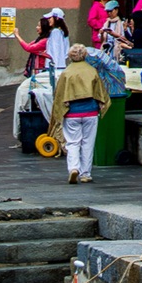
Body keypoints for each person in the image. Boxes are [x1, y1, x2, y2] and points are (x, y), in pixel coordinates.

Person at [51, 42, 109, 185]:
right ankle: (86, 173)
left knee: (73, 143)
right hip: (90, 112)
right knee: (88, 143)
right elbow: (100, 93)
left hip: (72, 113)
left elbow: (59, 95)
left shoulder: (66, 73)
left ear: (70, 56)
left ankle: (73, 168)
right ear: (85, 55)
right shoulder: (92, 70)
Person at [43, 8, 70, 72]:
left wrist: (55, 68)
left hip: (54, 67)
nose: (48, 20)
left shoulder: (55, 32)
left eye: (50, 18)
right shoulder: (62, 32)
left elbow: (56, 51)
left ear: (56, 18)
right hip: (60, 66)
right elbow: (66, 52)